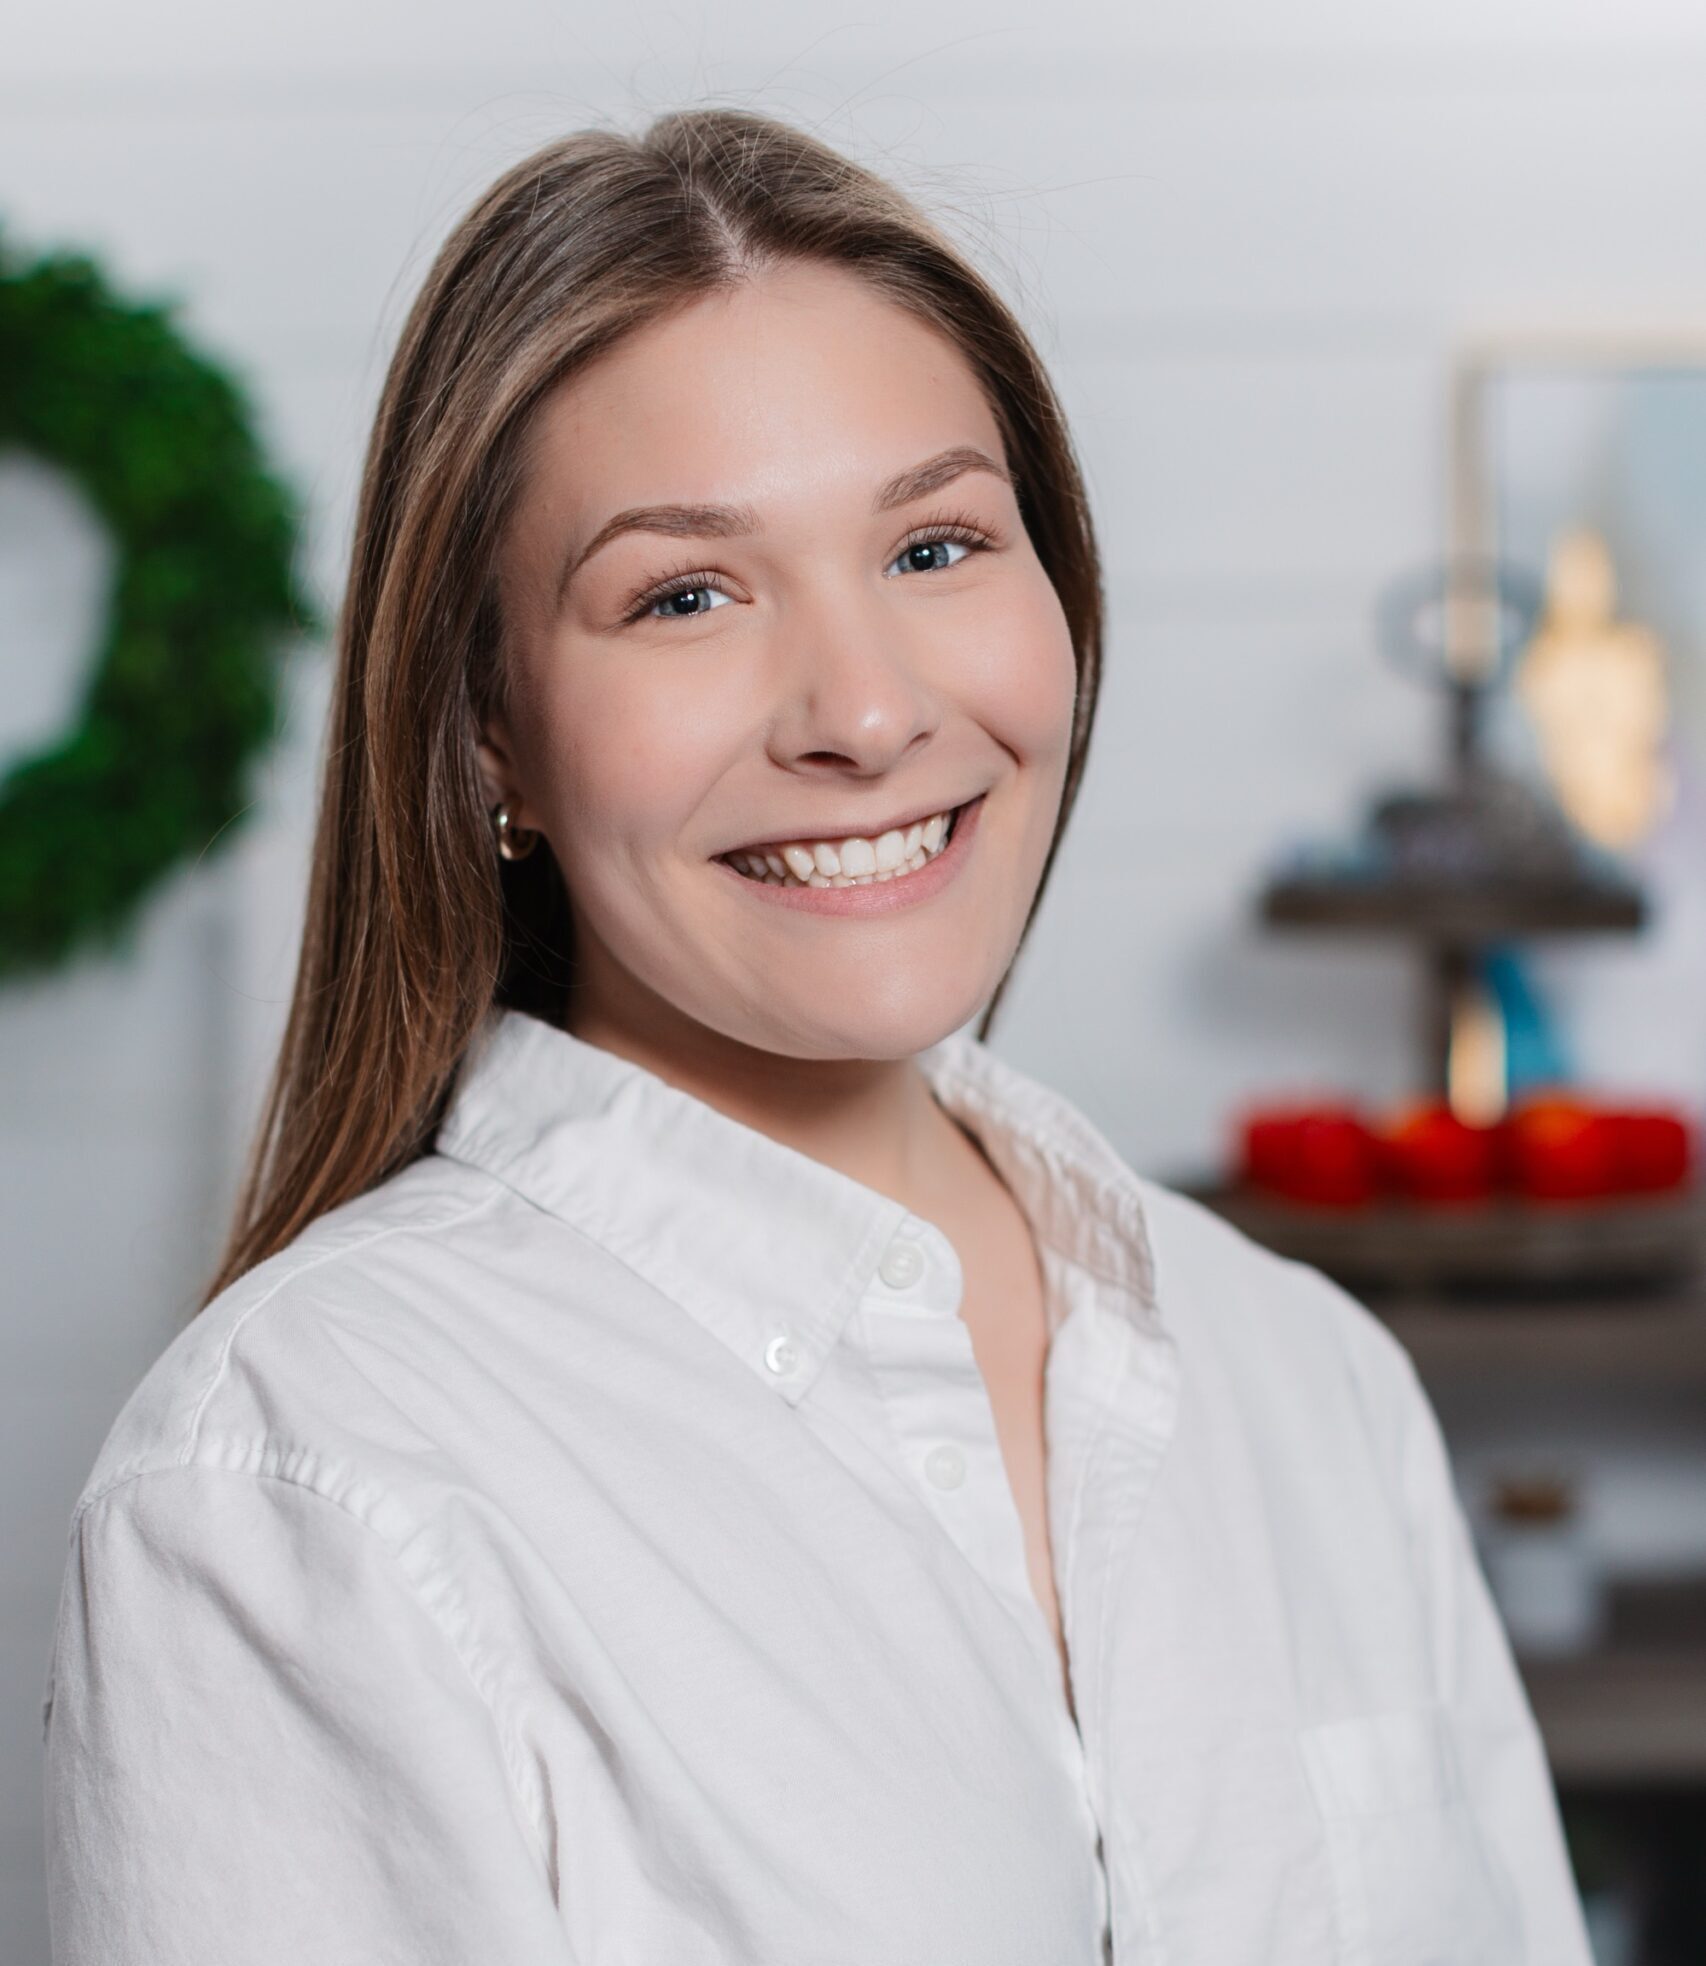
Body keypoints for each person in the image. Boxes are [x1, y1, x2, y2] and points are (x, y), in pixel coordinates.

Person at [41, 107, 1593, 1965]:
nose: (861, 709)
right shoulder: (297, 1483)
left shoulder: (1309, 1383)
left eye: (935, 546)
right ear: (484, 733)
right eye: (684, 593)